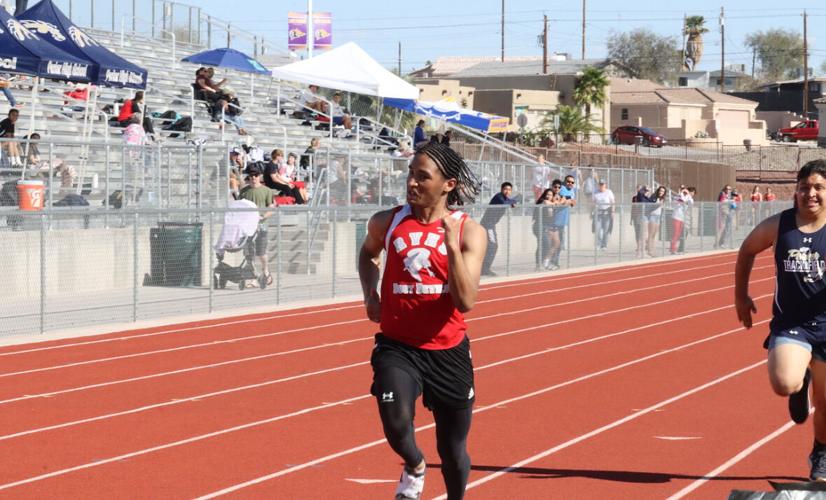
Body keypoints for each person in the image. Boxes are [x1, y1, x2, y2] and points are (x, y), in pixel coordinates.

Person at [358, 142, 485, 500]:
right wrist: (371, 293)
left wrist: (448, 246)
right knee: (396, 424)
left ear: (448, 184)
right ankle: (414, 465)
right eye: (410, 174)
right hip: (399, 346)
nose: (411, 183)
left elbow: (466, 301)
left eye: (422, 176)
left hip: (448, 351)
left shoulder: (469, 232)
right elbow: (368, 254)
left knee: (453, 450)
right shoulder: (388, 221)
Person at [735, 159, 826, 481]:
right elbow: (746, 251)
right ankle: (799, 381)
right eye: (804, 188)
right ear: (795, 192)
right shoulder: (780, 225)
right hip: (793, 325)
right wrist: (741, 297)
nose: (810, 194)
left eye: (818, 188)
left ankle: (821, 453)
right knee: (784, 383)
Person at [238, 164, 274, 289]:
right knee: (249, 254)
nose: (254, 178)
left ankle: (265, 272)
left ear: (259, 176)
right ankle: (254, 277)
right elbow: (239, 208)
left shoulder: (267, 191)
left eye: (256, 175)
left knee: (261, 253)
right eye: (251, 175)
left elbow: (271, 208)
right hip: (247, 228)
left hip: (261, 227)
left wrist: (263, 216)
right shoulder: (244, 191)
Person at [479, 182, 516, 276]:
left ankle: (483, 268)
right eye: (505, 189)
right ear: (501, 190)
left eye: (509, 190)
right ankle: (485, 269)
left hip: (491, 225)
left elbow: (511, 203)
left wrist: (513, 202)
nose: (507, 191)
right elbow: (505, 203)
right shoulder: (498, 196)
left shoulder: (506, 198)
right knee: (493, 246)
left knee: (488, 246)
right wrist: (513, 201)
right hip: (487, 225)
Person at [532, 188, 556, 270]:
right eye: (547, 194)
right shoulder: (542, 201)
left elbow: (550, 215)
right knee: (545, 243)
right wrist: (555, 203)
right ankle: (540, 264)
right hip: (538, 226)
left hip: (545, 226)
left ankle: (540, 264)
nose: (548, 196)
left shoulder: (551, 204)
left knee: (542, 245)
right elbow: (546, 202)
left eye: (550, 195)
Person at [670, 186, 695, 255]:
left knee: (678, 234)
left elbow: (691, 203)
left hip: (682, 218)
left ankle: (674, 249)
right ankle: (673, 249)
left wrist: (688, 195)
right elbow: (680, 200)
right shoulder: (678, 197)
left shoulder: (688, 198)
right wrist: (681, 193)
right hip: (676, 217)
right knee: (675, 234)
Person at [592, 180, 615, 250]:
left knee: (605, 230)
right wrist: (592, 211)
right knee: (597, 229)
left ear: (605, 185)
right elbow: (593, 202)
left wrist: (613, 212)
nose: (601, 186)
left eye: (603, 184)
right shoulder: (595, 192)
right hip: (598, 213)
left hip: (607, 213)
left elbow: (612, 202)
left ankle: (604, 245)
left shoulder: (609, 192)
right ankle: (598, 244)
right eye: (600, 184)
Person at [646, 185, 667, 257]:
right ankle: (650, 251)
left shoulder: (662, 199)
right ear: (658, 190)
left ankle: (652, 249)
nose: (661, 192)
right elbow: (650, 206)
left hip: (658, 217)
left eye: (663, 191)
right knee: (651, 234)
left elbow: (661, 208)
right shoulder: (653, 197)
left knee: (654, 235)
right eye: (661, 191)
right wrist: (658, 204)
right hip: (652, 216)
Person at [631, 185, 650, 258]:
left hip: (644, 217)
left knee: (643, 235)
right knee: (642, 235)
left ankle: (640, 252)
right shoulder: (639, 197)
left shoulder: (645, 197)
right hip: (641, 217)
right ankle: (641, 252)